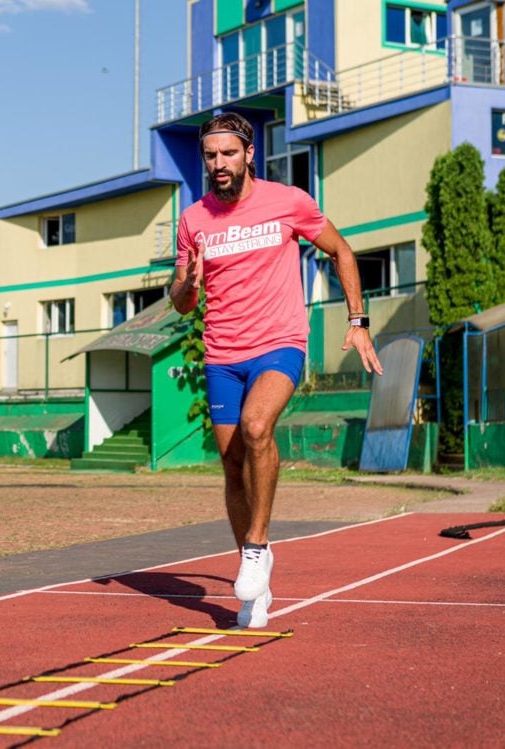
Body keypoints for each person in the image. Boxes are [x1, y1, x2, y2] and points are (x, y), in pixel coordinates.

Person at [170, 112, 384, 629]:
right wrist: (188, 284)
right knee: (231, 465)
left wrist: (358, 321)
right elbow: (181, 301)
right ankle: (255, 583)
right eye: (210, 156)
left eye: (227, 154)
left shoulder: (289, 202)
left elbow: (342, 250)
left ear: (248, 155)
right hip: (221, 353)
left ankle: (257, 547)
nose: (218, 164)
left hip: (279, 344)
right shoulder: (193, 219)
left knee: (257, 426)